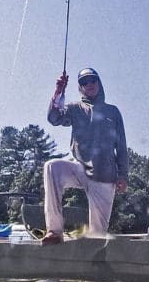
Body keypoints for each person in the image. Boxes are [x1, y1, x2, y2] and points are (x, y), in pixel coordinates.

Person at [41, 67, 128, 245]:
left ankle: (95, 263)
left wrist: (123, 175)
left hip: (104, 176)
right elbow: (54, 119)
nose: (89, 84)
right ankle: (55, 231)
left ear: (99, 83)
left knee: (97, 237)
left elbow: (122, 147)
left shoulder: (113, 111)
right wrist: (58, 91)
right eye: (84, 82)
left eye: (92, 80)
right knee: (52, 167)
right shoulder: (74, 108)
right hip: (79, 167)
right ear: (80, 87)